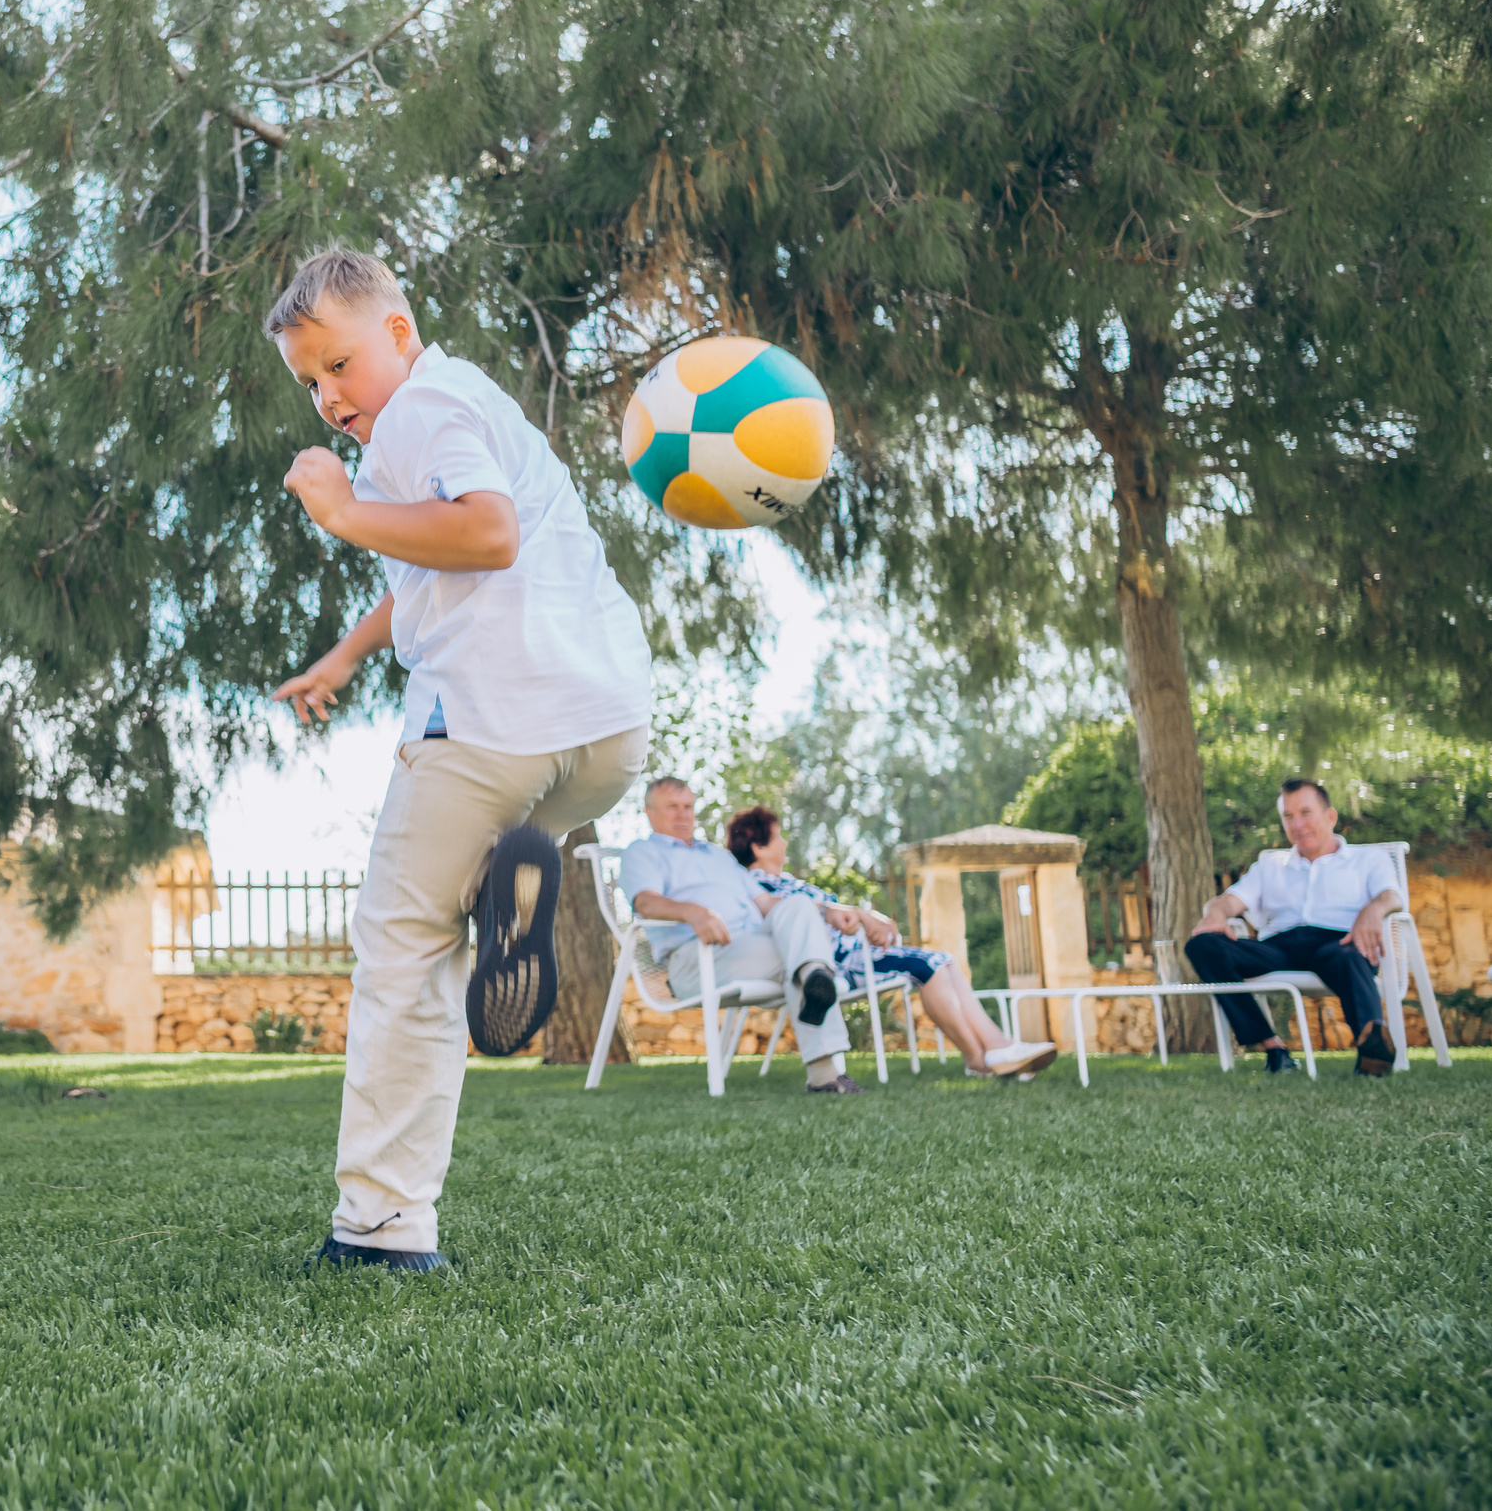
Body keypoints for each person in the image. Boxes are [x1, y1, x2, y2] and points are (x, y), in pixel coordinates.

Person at [268, 248, 652, 1273]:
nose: (327, 398)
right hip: (606, 732)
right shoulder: (468, 400)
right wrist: (346, 654)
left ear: (399, 332)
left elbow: (483, 535)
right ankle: (501, 884)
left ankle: (382, 1232)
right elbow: (440, 559)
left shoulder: (419, 413)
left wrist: (342, 511)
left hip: (489, 720)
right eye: (309, 382)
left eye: (339, 365)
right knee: (473, 875)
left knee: (400, 943)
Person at [725, 805, 1054, 1078]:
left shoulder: (787, 881)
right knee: (932, 964)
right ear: (758, 846)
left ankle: (992, 1052)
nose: (784, 843)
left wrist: (875, 920)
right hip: (841, 963)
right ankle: (984, 1055)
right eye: (778, 836)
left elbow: (840, 913)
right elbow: (806, 913)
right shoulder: (758, 885)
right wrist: (861, 916)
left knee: (945, 962)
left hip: (859, 954)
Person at [620, 778, 866, 1092]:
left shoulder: (718, 856)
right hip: (698, 955)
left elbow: (764, 903)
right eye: (672, 807)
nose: (682, 814)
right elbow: (646, 902)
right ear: (649, 812)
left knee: (800, 905)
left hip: (753, 944)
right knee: (800, 957)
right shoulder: (642, 851)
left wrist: (825, 910)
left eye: (688, 807)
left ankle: (813, 974)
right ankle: (824, 1063)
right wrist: (694, 911)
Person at [1184, 778, 1405, 1077]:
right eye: (1288, 817)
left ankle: (1372, 1051)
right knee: (1201, 944)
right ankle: (1272, 1046)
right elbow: (1226, 902)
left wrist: (1373, 910)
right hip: (1279, 948)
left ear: (1330, 816)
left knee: (1351, 958)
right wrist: (1215, 914)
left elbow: (1392, 896)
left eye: (1305, 813)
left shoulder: (1368, 860)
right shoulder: (1269, 865)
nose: (1297, 824)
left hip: (1338, 944)